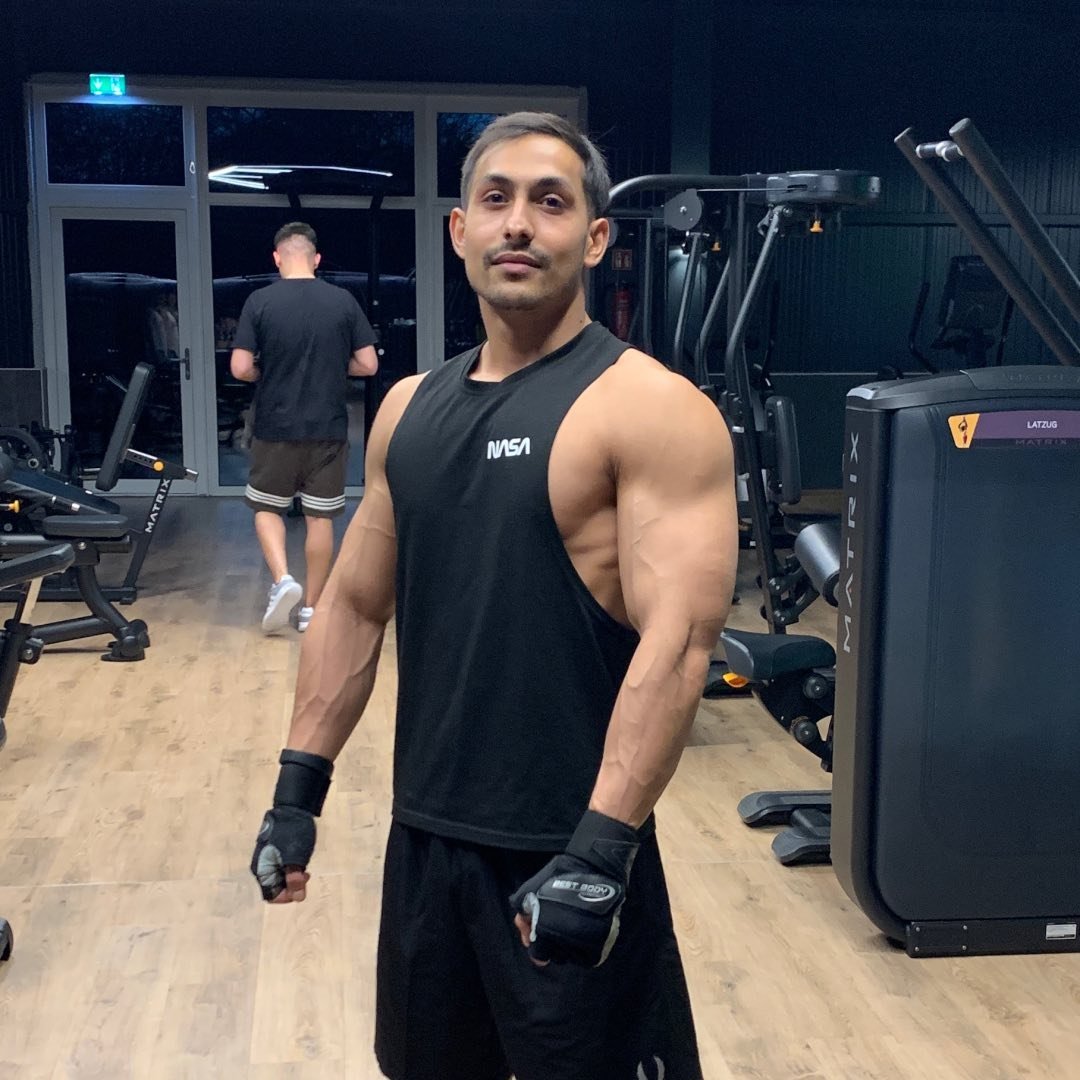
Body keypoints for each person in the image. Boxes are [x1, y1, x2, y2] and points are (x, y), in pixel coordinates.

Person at [250, 114, 738, 1078]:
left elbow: (680, 643)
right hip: (427, 842)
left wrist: (601, 850)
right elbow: (352, 607)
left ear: (594, 238)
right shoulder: (407, 408)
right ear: (459, 229)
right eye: (496, 199)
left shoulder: (651, 407)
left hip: (568, 844)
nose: (519, 223)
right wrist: (296, 791)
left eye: (551, 202)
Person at [230, 222, 378, 633]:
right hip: (328, 426)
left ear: (277, 258)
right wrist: (334, 367)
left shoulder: (260, 301)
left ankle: (283, 580)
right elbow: (369, 364)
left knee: (266, 508)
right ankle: (312, 609)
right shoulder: (343, 301)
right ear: (317, 259)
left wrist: (265, 372)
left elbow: (240, 367)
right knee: (320, 517)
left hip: (275, 425)